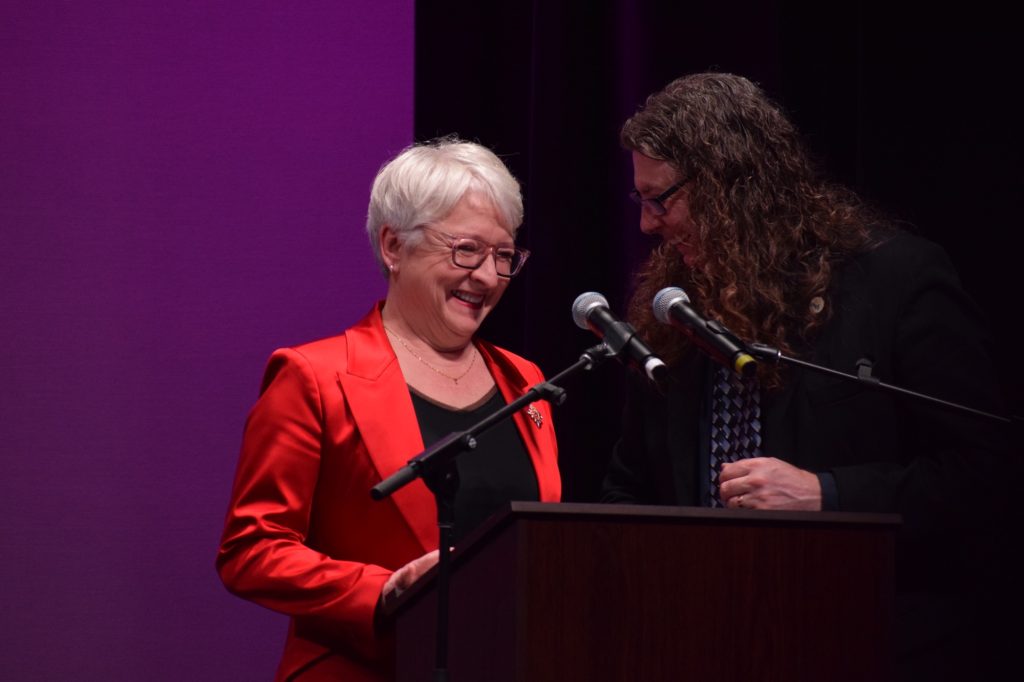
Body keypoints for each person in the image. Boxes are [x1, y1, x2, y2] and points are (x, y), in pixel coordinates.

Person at [602, 73, 1011, 679]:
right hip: (707, 642)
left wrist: (828, 494)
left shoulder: (893, 281)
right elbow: (630, 487)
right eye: (641, 201)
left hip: (865, 640)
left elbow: (987, 470)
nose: (647, 225)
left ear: (728, 184)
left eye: (662, 199)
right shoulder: (674, 311)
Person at [217, 138, 560, 681]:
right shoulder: (314, 376)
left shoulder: (528, 382)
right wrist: (384, 590)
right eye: (465, 251)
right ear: (393, 246)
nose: (489, 277)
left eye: (502, 256)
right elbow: (252, 549)